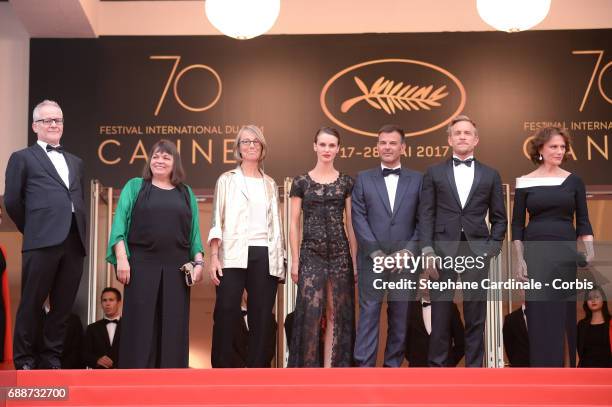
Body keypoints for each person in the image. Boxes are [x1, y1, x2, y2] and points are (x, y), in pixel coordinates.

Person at [4, 100, 87, 370]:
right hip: (41, 240)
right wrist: (34, 229)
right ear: (34, 126)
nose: (54, 125)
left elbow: (76, 198)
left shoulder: (76, 162)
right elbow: (14, 202)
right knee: (32, 302)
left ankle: (51, 359)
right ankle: (25, 359)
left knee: (63, 307)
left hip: (74, 241)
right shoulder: (22, 157)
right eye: (47, 120)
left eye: (58, 120)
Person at [107, 139, 203, 368]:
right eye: (156, 156)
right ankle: (134, 385)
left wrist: (199, 263)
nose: (159, 161)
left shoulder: (186, 193)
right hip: (140, 265)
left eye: (166, 157)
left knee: (174, 326)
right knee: (140, 326)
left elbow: (195, 234)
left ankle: (171, 387)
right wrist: (122, 258)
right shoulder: (134, 186)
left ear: (175, 163)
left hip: (177, 269)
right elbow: (118, 226)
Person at [420, 114, 507, 367]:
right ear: (449, 139)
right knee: (440, 314)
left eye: (467, 133)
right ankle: (437, 368)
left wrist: (491, 249)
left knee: (475, 314)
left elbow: (500, 218)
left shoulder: (491, 175)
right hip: (440, 251)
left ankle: (475, 369)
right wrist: (426, 249)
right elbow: (426, 214)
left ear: (476, 140)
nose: (462, 136)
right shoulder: (434, 173)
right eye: (457, 133)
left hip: (476, 251)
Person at [512, 126, 594, 367]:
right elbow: (517, 225)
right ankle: (542, 373)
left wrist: (589, 252)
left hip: (565, 253)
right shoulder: (524, 182)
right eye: (554, 146)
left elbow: (584, 220)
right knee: (538, 314)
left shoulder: (574, 181)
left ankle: (565, 372)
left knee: (562, 313)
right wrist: (519, 260)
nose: (559, 151)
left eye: (562, 147)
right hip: (535, 253)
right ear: (540, 149)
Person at [209, 125, 285, 368]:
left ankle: (258, 369)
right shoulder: (226, 180)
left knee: (262, 314)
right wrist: (213, 255)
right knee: (226, 309)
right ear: (238, 148)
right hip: (232, 253)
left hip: (265, 253)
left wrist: (282, 258)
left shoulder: (271, 184)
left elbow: (277, 225)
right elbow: (216, 220)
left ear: (262, 148)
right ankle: (223, 367)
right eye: (245, 141)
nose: (251, 145)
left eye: (256, 141)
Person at [352, 124, 422, 367]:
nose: (387, 147)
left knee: (400, 319)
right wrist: (377, 253)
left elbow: (424, 220)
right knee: (369, 316)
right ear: (377, 146)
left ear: (403, 147)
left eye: (393, 143)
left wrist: (407, 252)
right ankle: (364, 371)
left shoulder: (419, 180)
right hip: (372, 261)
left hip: (405, 262)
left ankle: (392, 370)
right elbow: (358, 218)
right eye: (383, 142)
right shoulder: (362, 178)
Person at [288, 127, 358, 367]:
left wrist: (355, 262)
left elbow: (351, 225)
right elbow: (293, 223)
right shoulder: (300, 182)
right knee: (310, 313)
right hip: (310, 254)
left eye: (332, 145)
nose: (327, 149)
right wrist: (295, 260)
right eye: (323, 144)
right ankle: (308, 372)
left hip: (340, 255)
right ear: (314, 146)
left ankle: (332, 370)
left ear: (338, 149)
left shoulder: (347, 182)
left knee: (337, 313)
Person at [405, 273, 464, 367]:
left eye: (429, 280)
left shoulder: (450, 307)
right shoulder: (409, 308)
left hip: (444, 372)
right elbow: (405, 342)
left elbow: (461, 342)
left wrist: (450, 362)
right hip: (417, 371)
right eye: (423, 280)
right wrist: (415, 360)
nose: (426, 284)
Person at [83, 287, 122, 369]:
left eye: (111, 300)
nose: (107, 303)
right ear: (101, 303)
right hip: (99, 376)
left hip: (125, 375)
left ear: (119, 303)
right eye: (104, 300)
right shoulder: (92, 328)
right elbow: (84, 354)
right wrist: (96, 360)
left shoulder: (128, 327)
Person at [577, 286, 611, 367]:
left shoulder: (611, 323)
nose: (593, 300)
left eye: (597, 297)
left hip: (608, 371)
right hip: (586, 371)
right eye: (590, 298)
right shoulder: (581, 325)